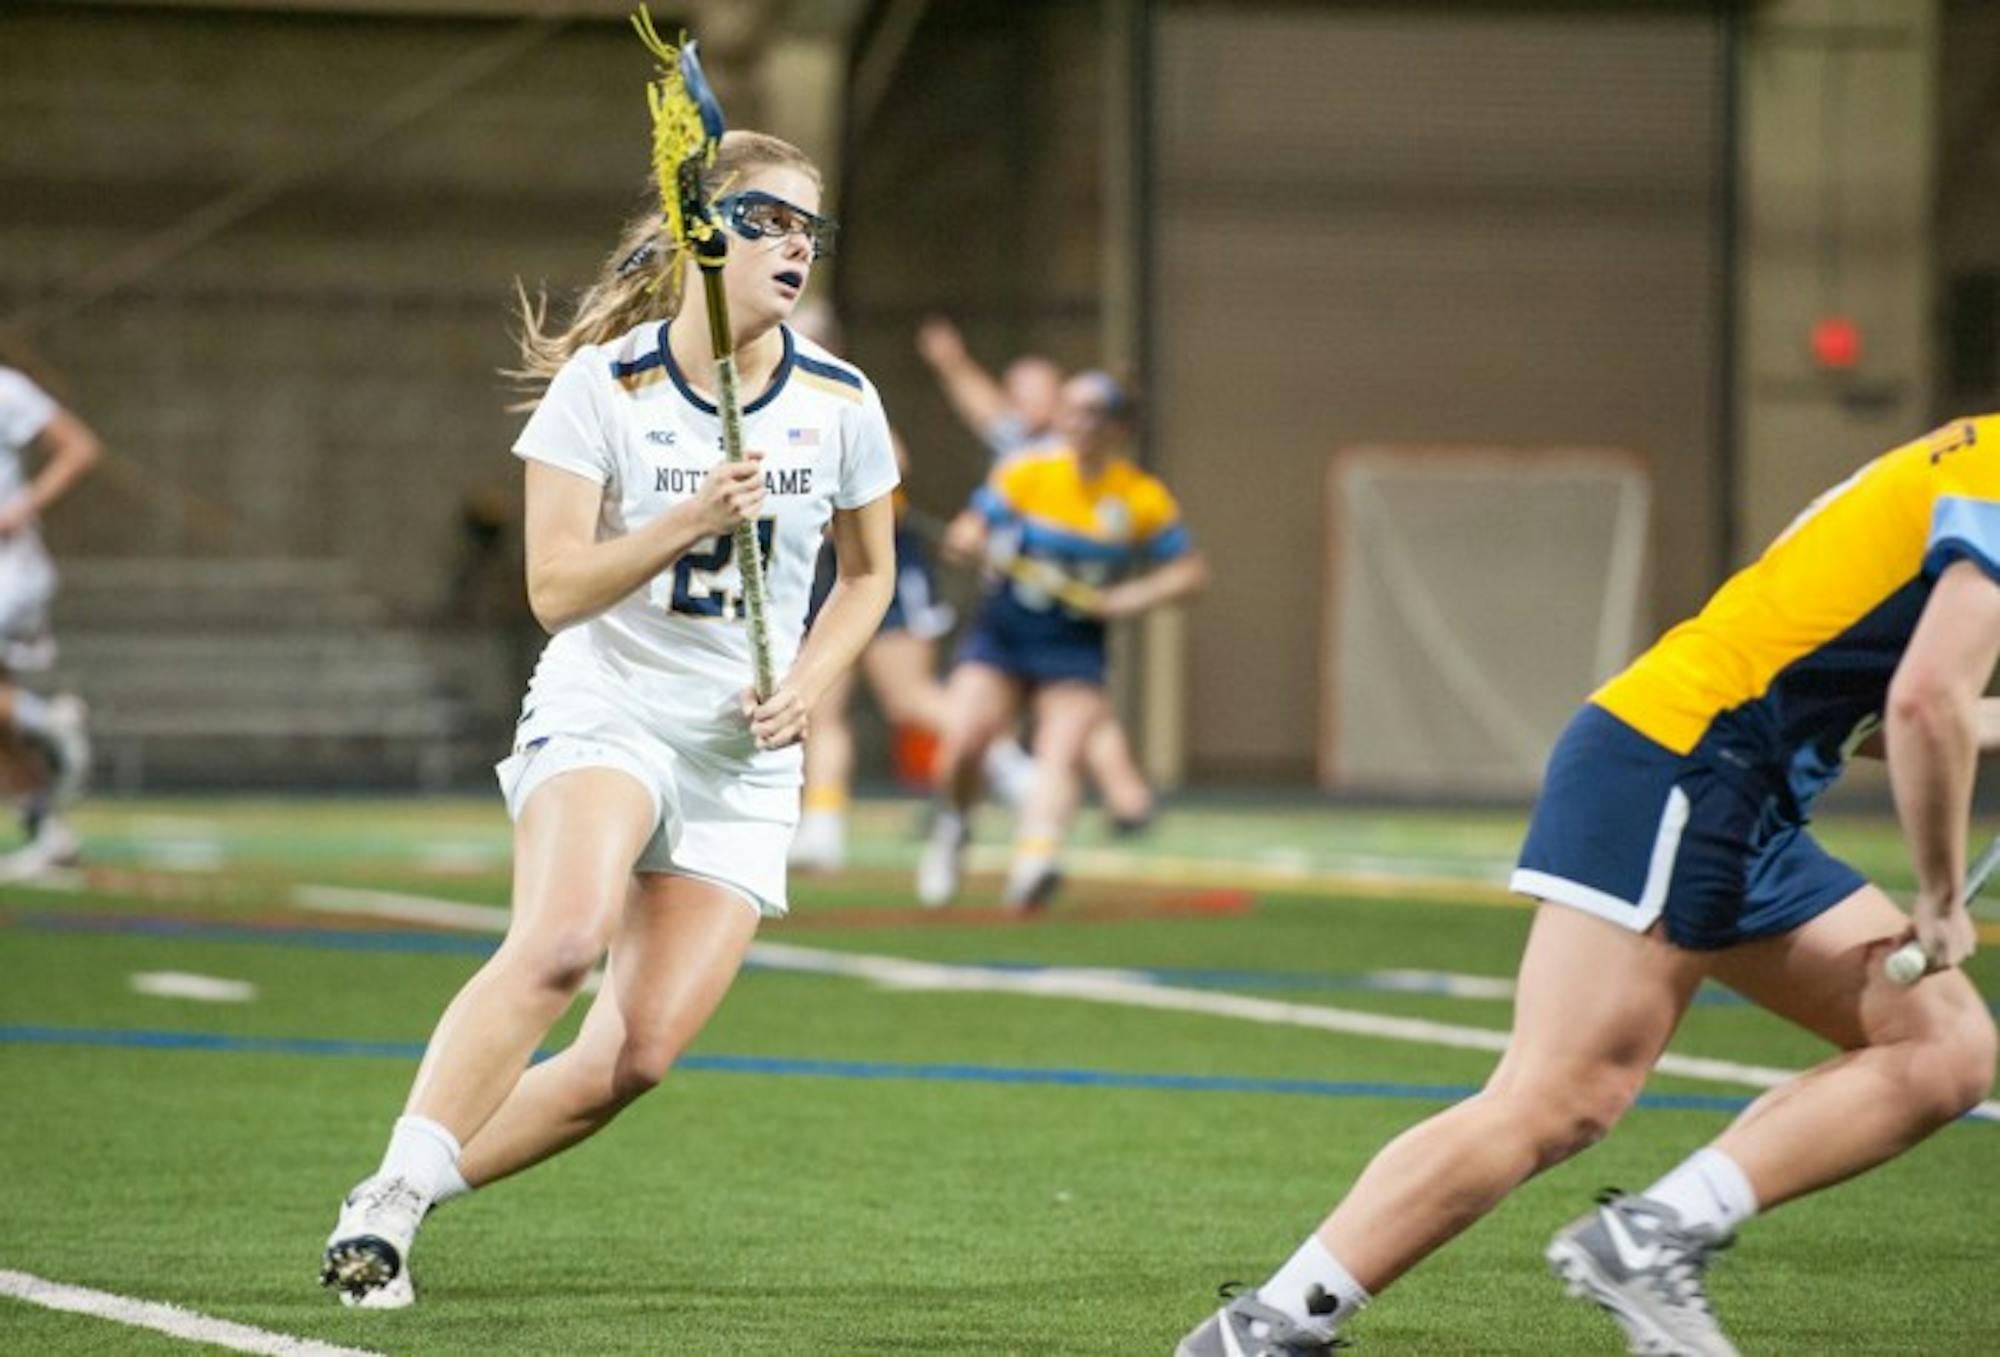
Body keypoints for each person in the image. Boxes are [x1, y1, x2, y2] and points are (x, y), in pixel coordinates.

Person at [1176, 416, 2000, 1357]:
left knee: (1943, 1047)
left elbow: (1882, 710)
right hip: (1693, 768)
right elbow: (1923, 704)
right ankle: (1269, 1330)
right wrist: (1940, 894)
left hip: (1725, 782)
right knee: (1559, 1096)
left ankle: (1647, 1236)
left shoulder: (1958, 461)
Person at [319, 129, 900, 1309]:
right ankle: (388, 1199)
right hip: (610, 705)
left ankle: (404, 1192)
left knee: (630, 1059)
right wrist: (686, 519)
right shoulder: (604, 387)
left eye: (809, 227)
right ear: (702, 232)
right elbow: (553, 588)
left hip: (737, 758)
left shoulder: (841, 400)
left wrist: (807, 680)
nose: (795, 245)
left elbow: (867, 575)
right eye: (768, 219)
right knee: (561, 941)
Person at [917, 369, 1205, 910]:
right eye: (1071, 410)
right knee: (966, 740)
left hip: (1074, 642)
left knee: (1061, 750)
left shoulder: (1140, 498)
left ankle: (1035, 861)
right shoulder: (1030, 470)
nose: (1078, 423)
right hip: (1005, 629)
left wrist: (1128, 598)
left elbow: (1190, 572)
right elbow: (974, 525)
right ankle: (954, 827)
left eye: (1092, 413)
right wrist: (966, 540)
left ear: (1119, 428)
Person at [916, 316, 1157, 833]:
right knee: (1023, 705)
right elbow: (984, 410)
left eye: (1034, 394)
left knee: (1075, 707)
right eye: (1016, 393)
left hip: (1063, 606)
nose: (1019, 403)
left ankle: (1121, 796)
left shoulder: (1063, 457)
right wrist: (952, 364)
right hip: (1013, 599)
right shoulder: (1022, 444)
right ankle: (969, 798)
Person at [0, 333, 99, 879]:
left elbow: (79, 447)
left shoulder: (5, 390)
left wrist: (22, 507)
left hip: (9, 571)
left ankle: (50, 720)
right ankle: (48, 835)